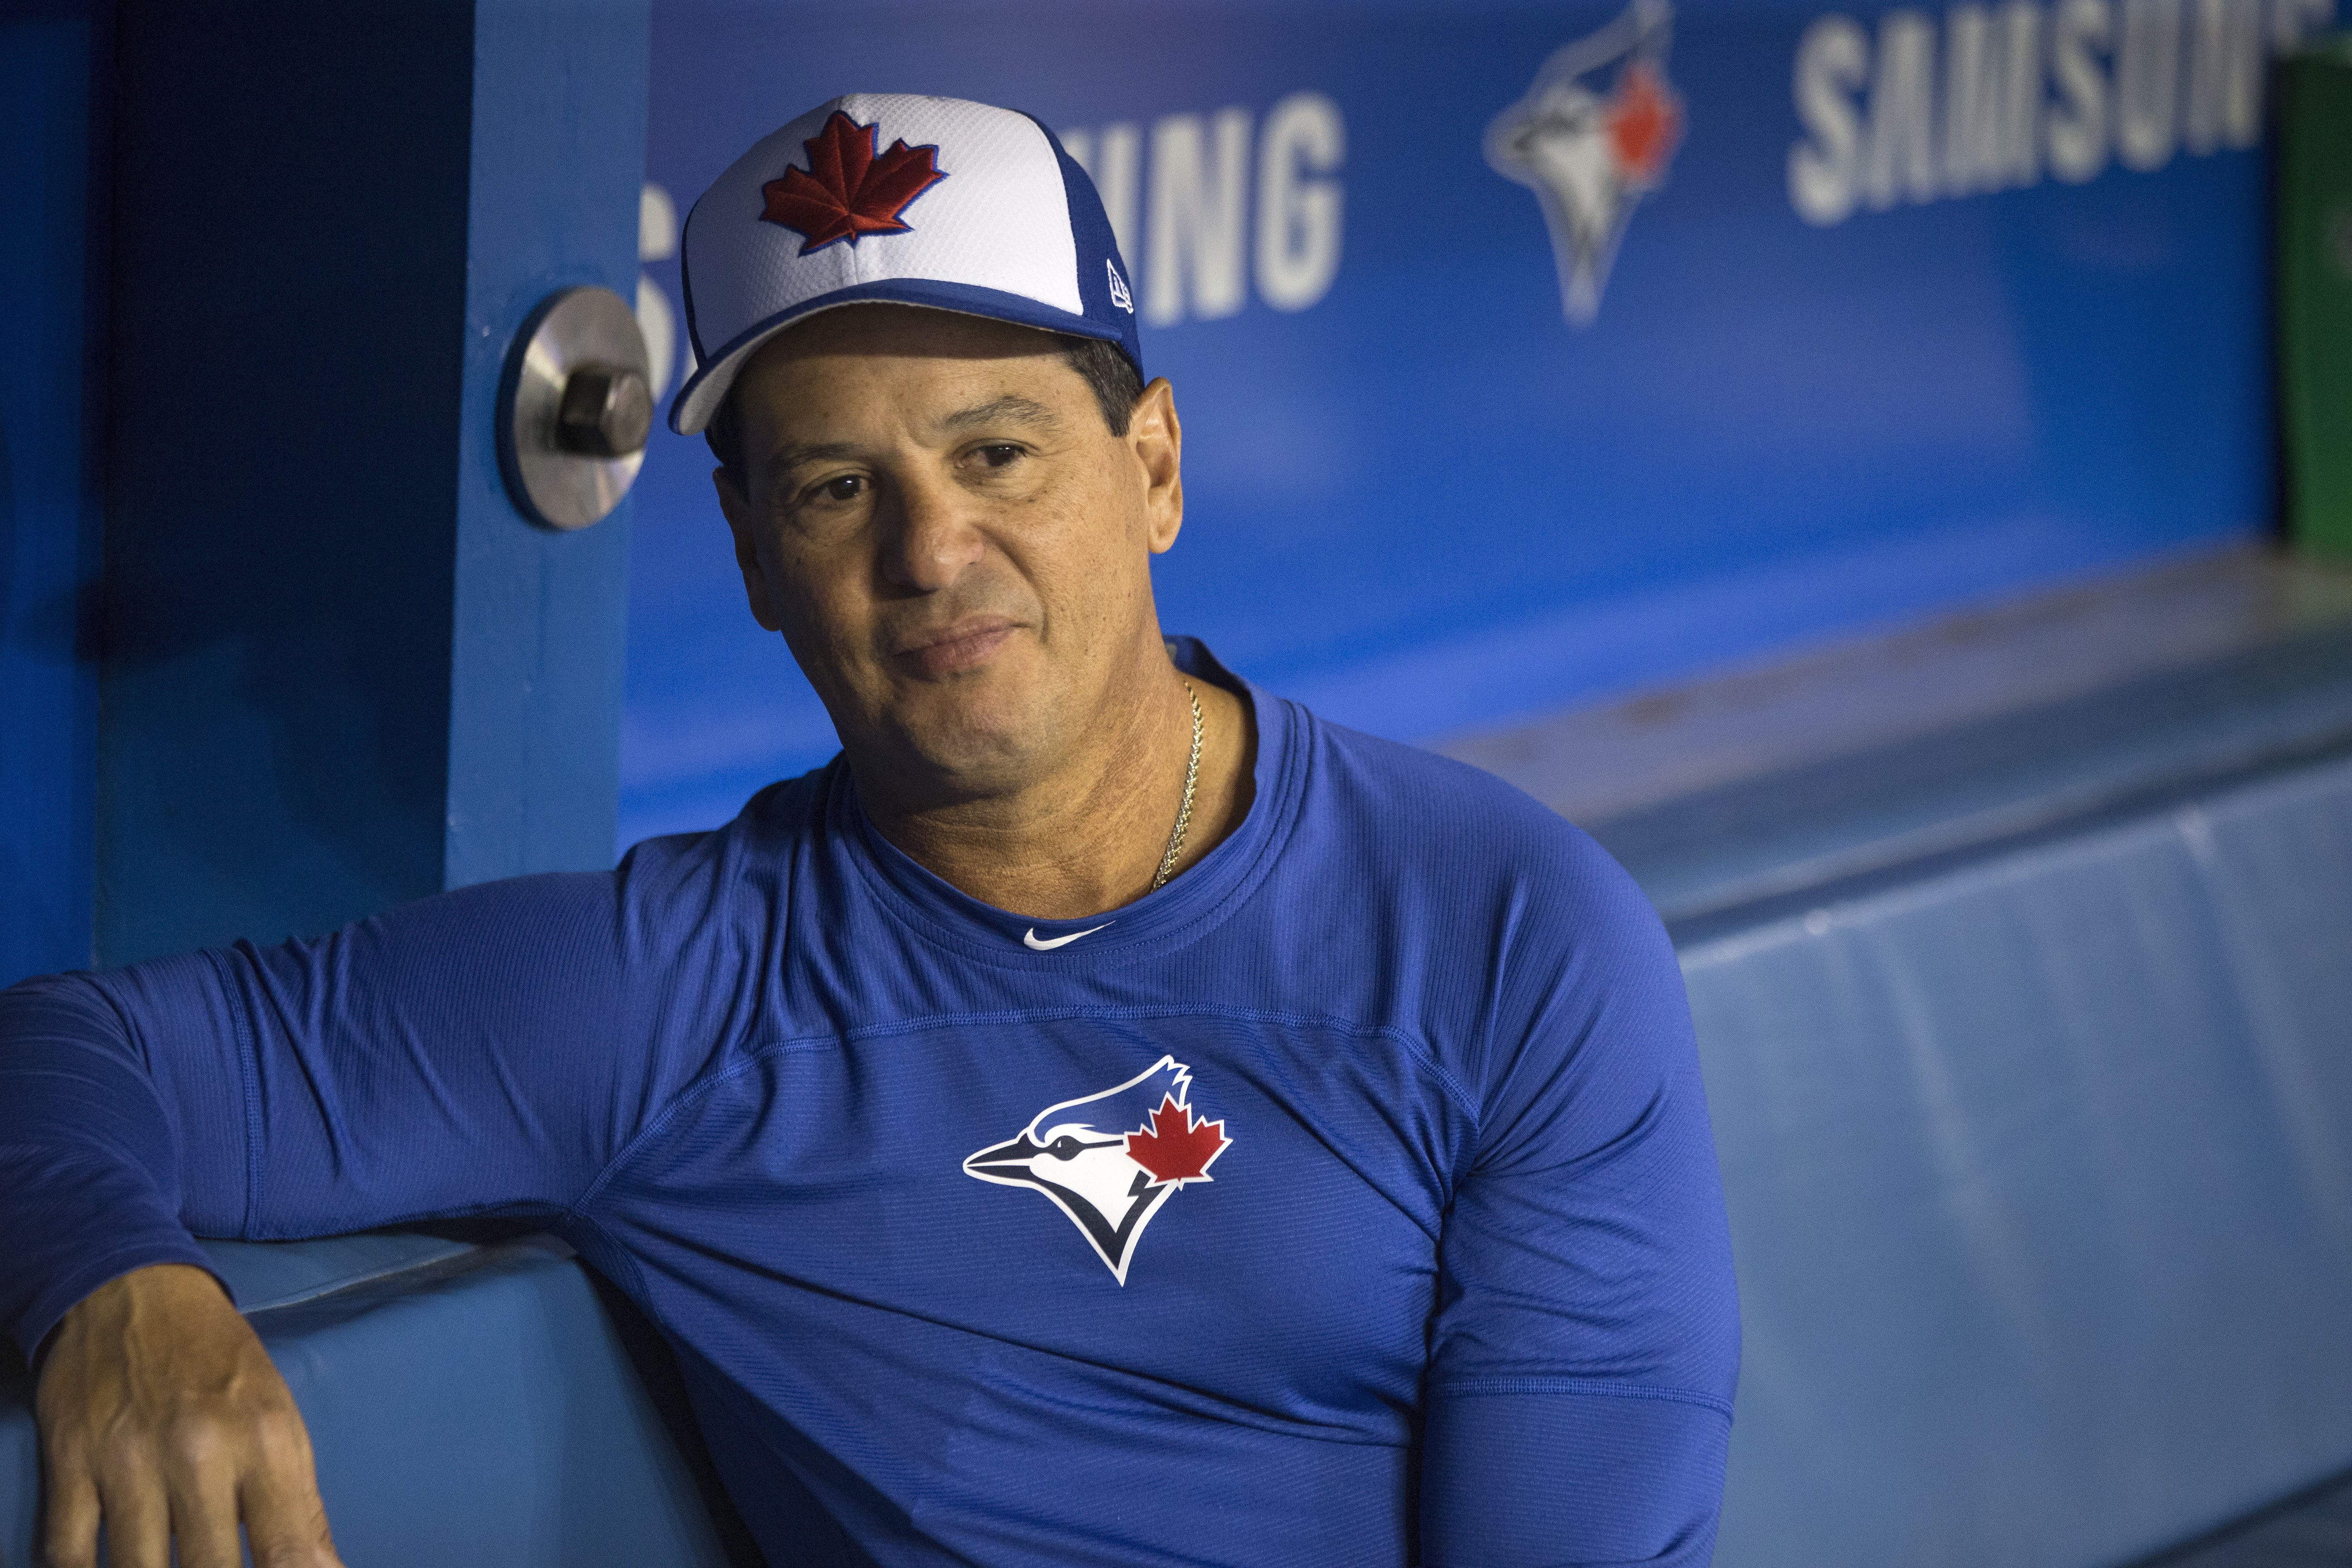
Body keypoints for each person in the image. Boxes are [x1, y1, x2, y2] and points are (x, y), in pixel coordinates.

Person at [0, 93, 1739, 1568]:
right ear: (755, 557)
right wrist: (119, 1288)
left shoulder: (1502, 934)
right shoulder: (667, 990)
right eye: (837, 490)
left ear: (1152, 468)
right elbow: (67, 1052)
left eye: (998, 456)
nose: (928, 553)